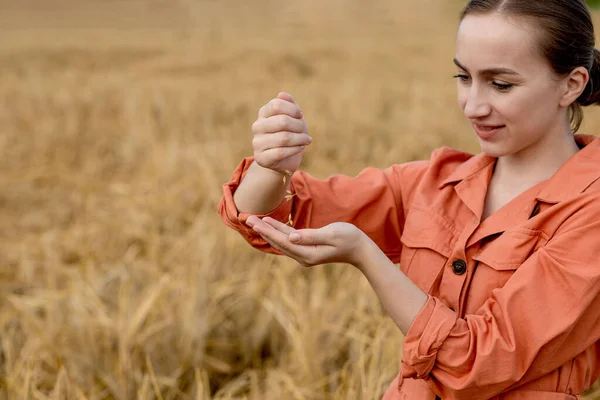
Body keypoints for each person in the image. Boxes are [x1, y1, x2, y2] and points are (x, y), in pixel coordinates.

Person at [217, 0, 600, 398]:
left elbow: (479, 361)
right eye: (463, 77)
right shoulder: (434, 182)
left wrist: (367, 257)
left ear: (571, 84)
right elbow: (278, 218)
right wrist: (272, 164)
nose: (473, 105)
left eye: (501, 84)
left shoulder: (591, 212)